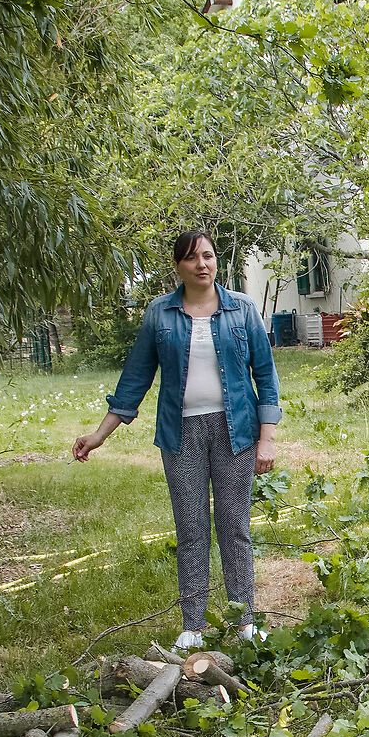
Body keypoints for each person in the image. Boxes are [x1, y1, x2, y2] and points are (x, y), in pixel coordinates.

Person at [72, 231, 281, 650]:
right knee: (190, 529)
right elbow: (135, 379)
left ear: (216, 260)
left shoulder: (242, 309)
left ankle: (243, 622)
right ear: (178, 267)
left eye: (207, 256)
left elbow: (266, 376)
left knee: (234, 528)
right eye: (190, 258)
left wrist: (267, 439)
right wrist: (99, 434)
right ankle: (194, 625)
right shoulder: (158, 314)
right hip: (180, 434)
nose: (201, 265)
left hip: (235, 431)